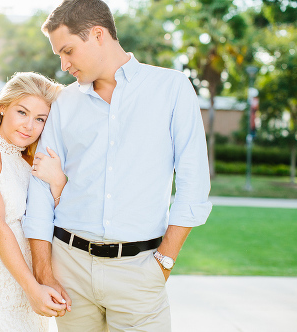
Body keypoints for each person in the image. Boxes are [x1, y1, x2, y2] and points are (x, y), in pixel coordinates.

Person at [22, 0, 213, 330]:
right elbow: (40, 188)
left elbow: (193, 185)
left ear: (97, 35)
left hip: (139, 272)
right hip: (69, 270)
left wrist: (163, 262)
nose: (65, 64)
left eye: (68, 51)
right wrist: (44, 271)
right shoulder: (65, 102)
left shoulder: (171, 88)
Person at [0, 72, 68, 331]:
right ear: (3, 107)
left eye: (40, 119)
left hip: (31, 290)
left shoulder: (31, 161)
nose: (29, 125)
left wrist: (57, 182)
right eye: (22, 112)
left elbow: (56, 221)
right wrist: (32, 289)